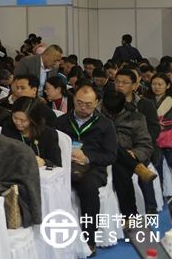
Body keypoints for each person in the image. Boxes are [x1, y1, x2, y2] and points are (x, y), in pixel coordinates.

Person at [55, 85, 117, 255]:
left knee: (88, 189)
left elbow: (111, 156)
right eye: (79, 103)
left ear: (96, 102)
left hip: (93, 169)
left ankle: (90, 239)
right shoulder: (61, 121)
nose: (83, 107)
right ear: (73, 100)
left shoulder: (105, 124)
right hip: (65, 166)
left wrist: (87, 158)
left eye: (88, 104)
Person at [101, 90, 156, 222]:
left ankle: (130, 217)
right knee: (111, 144)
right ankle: (138, 168)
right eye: (108, 112)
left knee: (121, 170)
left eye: (114, 113)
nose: (110, 115)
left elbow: (145, 145)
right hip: (99, 153)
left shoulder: (136, 117)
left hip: (123, 158)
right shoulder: (94, 115)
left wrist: (135, 153)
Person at [3, 97, 62, 167]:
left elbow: (56, 163)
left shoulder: (49, 134)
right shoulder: (8, 128)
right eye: (15, 118)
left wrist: (44, 162)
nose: (18, 123)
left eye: (23, 120)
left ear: (34, 119)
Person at [151, 73, 172, 177]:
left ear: (167, 85)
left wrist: (153, 126)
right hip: (150, 140)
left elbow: (170, 122)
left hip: (166, 140)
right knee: (156, 161)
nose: (156, 87)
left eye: (160, 84)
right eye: (154, 84)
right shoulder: (145, 100)